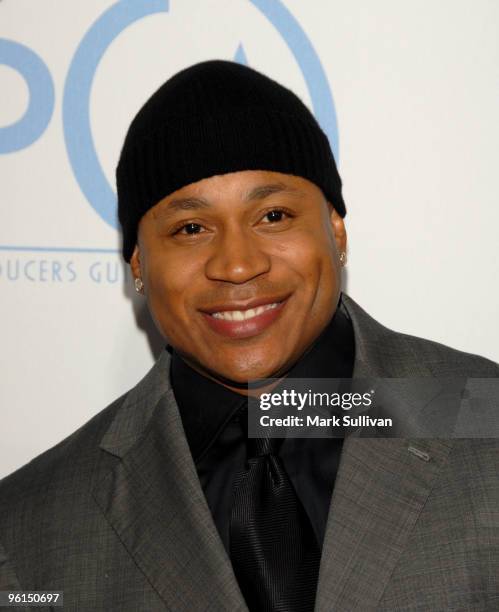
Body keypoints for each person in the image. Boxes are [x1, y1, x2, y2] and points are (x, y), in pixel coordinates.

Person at [1, 60, 498, 611]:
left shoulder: (486, 416)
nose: (237, 266)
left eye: (274, 216)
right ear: (138, 264)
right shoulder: (26, 529)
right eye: (191, 228)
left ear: (336, 230)